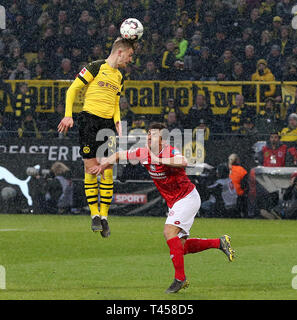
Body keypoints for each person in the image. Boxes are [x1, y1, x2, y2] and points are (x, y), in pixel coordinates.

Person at [90, 122, 235, 293]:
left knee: (169, 232)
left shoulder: (169, 151)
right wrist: (102, 165)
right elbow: (119, 155)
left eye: (153, 134)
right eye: (148, 134)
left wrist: (159, 160)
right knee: (180, 247)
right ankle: (219, 242)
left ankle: (180, 279)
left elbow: (184, 161)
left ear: (163, 140)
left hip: (187, 197)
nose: (149, 137)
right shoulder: (142, 152)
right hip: (175, 201)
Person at [58, 38, 135, 238]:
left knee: (108, 170)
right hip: (89, 121)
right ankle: (94, 215)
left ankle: (104, 217)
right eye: (130, 55)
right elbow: (72, 89)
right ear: (120, 52)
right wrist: (68, 114)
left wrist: (118, 122)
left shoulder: (119, 76)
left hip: (107, 125)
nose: (131, 59)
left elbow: (116, 103)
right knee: (90, 168)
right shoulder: (95, 67)